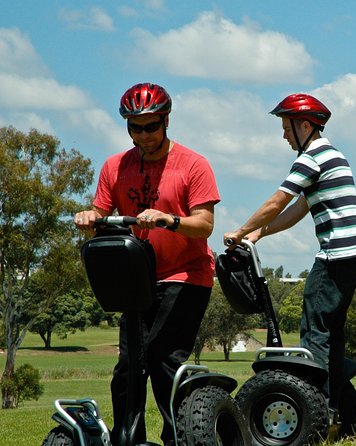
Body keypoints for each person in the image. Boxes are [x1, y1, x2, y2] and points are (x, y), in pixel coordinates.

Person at [74, 82, 220, 445]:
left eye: (151, 126)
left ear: (166, 120)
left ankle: (182, 438)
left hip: (187, 274)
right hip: (137, 279)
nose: (143, 135)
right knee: (128, 368)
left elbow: (205, 224)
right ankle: (129, 439)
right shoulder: (115, 166)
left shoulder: (193, 164)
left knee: (163, 358)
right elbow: (102, 212)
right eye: (135, 127)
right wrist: (89, 217)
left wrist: (169, 219)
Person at [224, 93, 356, 416]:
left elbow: (279, 201)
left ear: (304, 125)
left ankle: (315, 407)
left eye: (286, 127)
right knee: (332, 331)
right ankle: (333, 407)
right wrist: (260, 232)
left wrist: (239, 230)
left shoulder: (311, 157)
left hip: (337, 253)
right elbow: (299, 208)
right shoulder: (334, 155)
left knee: (314, 330)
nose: (284, 135)